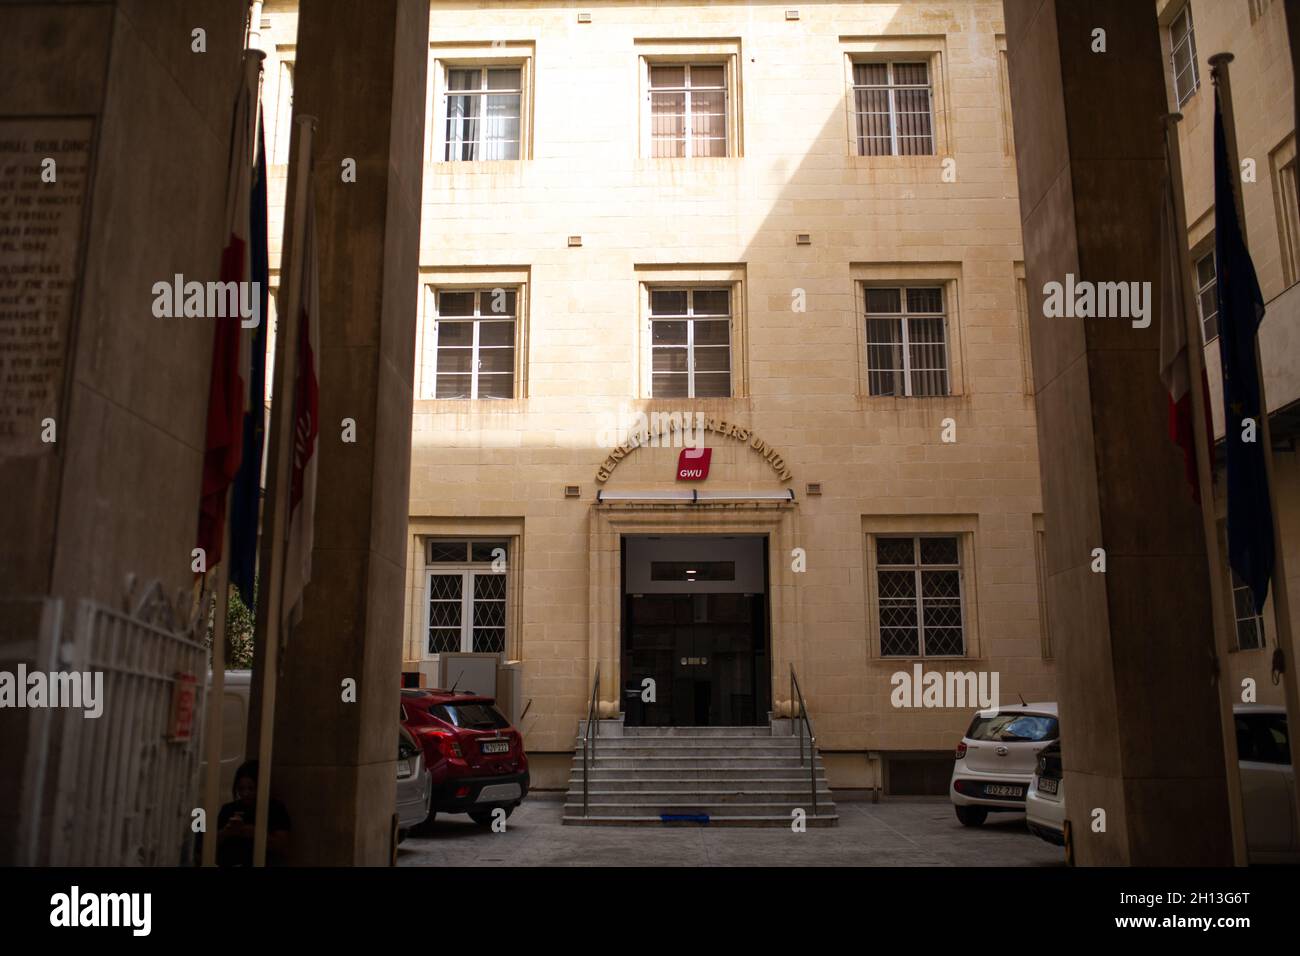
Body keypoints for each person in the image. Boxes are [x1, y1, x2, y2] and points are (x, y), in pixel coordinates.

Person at [215, 759, 291, 866]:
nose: (245, 793)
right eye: (241, 789)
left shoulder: (274, 809)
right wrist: (226, 832)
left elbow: (282, 846)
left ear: (261, 786)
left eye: (251, 788)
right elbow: (210, 845)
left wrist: (256, 834)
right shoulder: (229, 809)